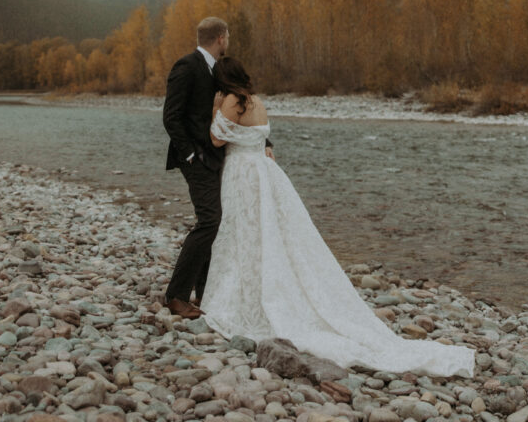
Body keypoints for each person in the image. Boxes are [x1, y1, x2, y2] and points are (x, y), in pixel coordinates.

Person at [200, 57, 475, 378]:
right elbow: (259, 138)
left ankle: (245, 298)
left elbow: (217, 139)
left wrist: (214, 109)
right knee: (267, 233)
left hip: (243, 173)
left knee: (245, 233)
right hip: (264, 171)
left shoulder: (232, 101)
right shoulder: (257, 100)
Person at [161, 16, 231, 319]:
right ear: (220, 38)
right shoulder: (186, 65)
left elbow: (236, 105)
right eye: (228, 37)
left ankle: (203, 294)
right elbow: (171, 116)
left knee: (212, 221)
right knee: (209, 220)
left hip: (214, 156)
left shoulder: (216, 69)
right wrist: (189, 155)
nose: (228, 42)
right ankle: (176, 295)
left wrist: (264, 139)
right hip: (194, 158)